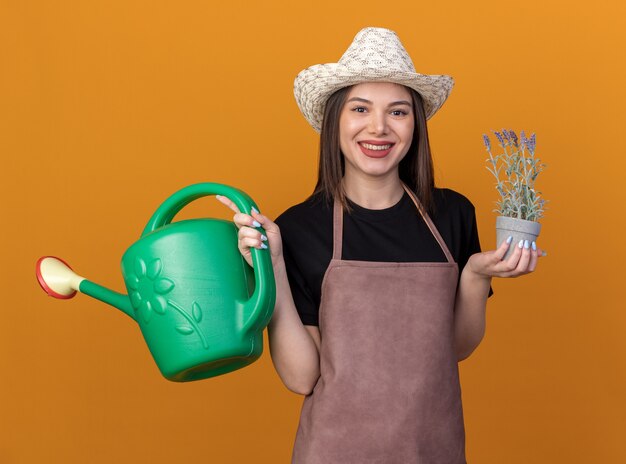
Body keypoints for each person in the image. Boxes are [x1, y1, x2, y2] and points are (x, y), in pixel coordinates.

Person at [217, 27, 543, 464]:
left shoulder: (452, 214)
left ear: (415, 125)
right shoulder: (300, 227)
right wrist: (273, 265)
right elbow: (301, 377)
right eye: (360, 108)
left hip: (434, 451)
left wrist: (475, 275)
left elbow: (455, 349)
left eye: (398, 111)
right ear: (335, 120)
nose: (379, 128)